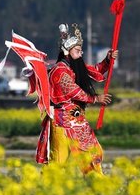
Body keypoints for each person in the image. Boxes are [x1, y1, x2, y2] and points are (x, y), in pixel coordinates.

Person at [46, 23, 118, 174]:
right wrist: (95, 98)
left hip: (77, 121)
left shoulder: (75, 67)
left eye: (81, 51)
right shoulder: (59, 70)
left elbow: (95, 70)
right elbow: (73, 91)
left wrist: (108, 59)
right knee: (58, 163)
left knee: (93, 155)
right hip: (62, 123)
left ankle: (96, 185)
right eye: (77, 51)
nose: (80, 54)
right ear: (67, 52)